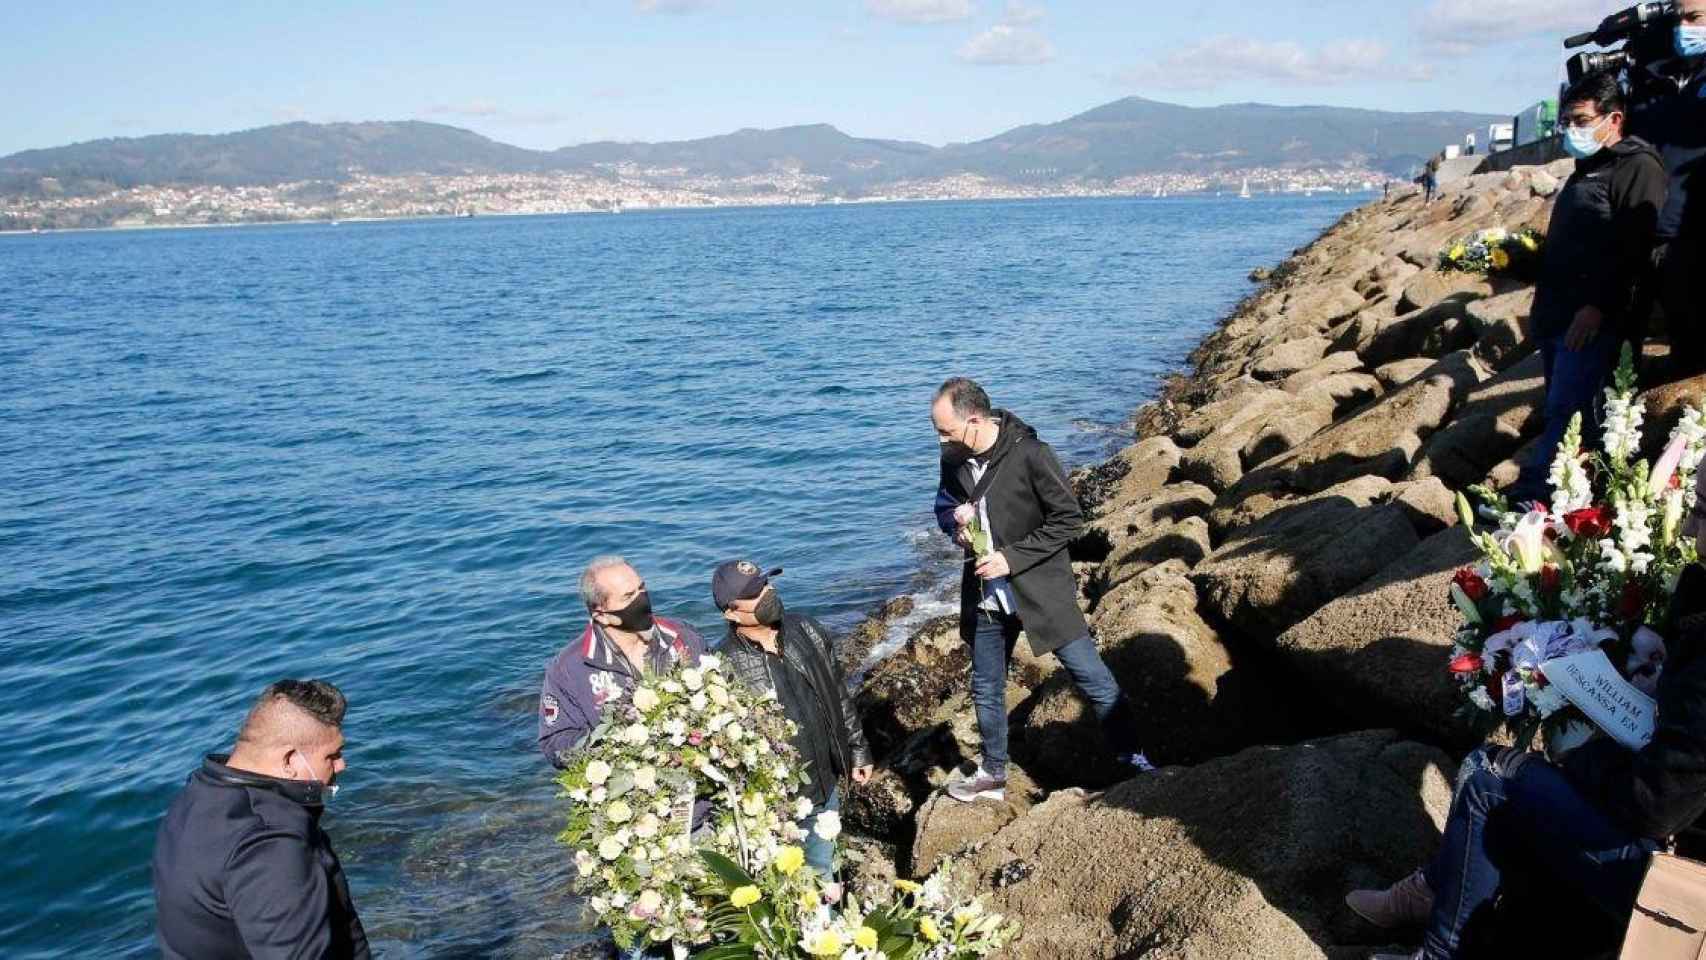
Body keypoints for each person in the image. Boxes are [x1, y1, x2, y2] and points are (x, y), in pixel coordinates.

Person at [1357, 473, 1706, 960]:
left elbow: (1658, 804)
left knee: (1489, 775)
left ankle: (1439, 943)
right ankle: (1440, 891)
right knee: (1535, 794)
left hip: (1683, 889)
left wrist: (1583, 760)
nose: (1689, 528)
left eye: (1703, 511)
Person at [930, 377, 1151, 804]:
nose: (941, 440)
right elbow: (941, 506)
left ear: (974, 420)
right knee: (985, 687)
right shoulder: (953, 459)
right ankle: (994, 774)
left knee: (1092, 678)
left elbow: (1069, 520)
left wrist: (1012, 558)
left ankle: (1134, 758)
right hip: (985, 596)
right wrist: (953, 525)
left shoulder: (1032, 454)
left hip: (1041, 592)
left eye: (945, 430)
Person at [1511, 71, 1666, 503]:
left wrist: (1597, 306)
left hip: (1593, 319)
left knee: (1572, 410)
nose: (1571, 131)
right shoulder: (1589, 167)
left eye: (1580, 120)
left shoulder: (1637, 166)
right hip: (1558, 314)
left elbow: (1633, 246)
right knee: (1564, 409)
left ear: (1613, 118)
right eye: (1567, 122)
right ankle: (1566, 495)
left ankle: (1536, 497)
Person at [152, 679, 369, 959]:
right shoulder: (271, 844)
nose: (342, 764)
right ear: (290, 760)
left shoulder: (195, 798)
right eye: (332, 755)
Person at [710, 560, 873, 878]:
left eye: (765, 584)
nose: (768, 592)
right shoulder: (722, 665)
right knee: (789, 882)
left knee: (824, 872)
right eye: (755, 592)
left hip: (827, 784)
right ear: (731, 612)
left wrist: (857, 749)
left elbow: (837, 691)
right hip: (780, 804)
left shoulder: (806, 629)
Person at [538, 556, 704, 768]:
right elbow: (555, 744)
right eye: (629, 596)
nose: (642, 600)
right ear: (602, 615)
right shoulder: (569, 668)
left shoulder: (682, 636)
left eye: (642, 589)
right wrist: (615, 741)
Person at [1627, 0, 1706, 375]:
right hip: (1650, 230)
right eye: (1676, 19)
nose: (1683, 29)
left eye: (1694, 18)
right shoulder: (1660, 82)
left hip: (1690, 236)